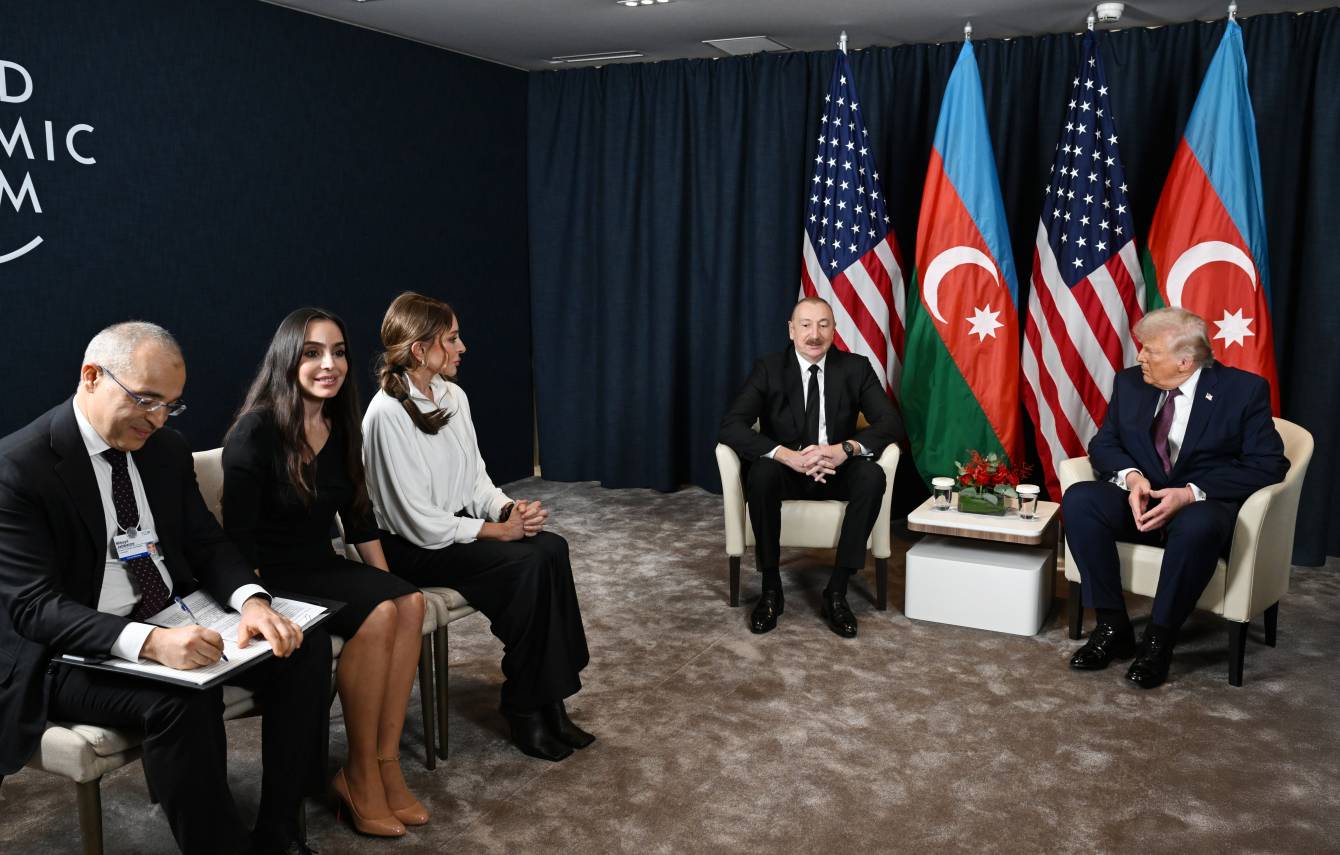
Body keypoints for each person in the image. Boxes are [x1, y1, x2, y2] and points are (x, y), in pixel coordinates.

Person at [0, 322, 329, 855]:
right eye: (145, 399)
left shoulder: (165, 449)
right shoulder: (18, 467)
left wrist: (253, 601)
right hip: (67, 652)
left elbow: (206, 543)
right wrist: (151, 643)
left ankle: (280, 832)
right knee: (181, 701)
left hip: (171, 611)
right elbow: (35, 608)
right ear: (91, 377)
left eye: (169, 406)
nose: (156, 419)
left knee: (301, 644)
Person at [362, 292, 593, 763]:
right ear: (420, 350)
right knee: (526, 565)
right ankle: (526, 706)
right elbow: (417, 521)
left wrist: (509, 510)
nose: (462, 347)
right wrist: (496, 533)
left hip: (450, 532)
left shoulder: (453, 396)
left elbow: (475, 480)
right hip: (409, 546)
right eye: (451, 339)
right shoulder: (385, 414)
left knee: (551, 548)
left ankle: (548, 698)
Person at [222, 308, 427, 837]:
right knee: (380, 614)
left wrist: (393, 586)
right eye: (312, 353)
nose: (328, 364)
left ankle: (383, 764)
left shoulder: (339, 425)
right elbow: (237, 540)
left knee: (409, 603)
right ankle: (359, 772)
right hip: (270, 577)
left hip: (319, 564)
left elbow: (358, 516)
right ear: (287, 359)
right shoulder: (255, 431)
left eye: (338, 352)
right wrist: (256, 603)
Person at [1063, 307, 1288, 689]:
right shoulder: (1130, 383)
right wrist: (1132, 478)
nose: (1140, 357)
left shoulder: (1243, 391)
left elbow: (1269, 465)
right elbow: (1104, 444)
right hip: (1144, 502)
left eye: (1150, 351)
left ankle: (1159, 640)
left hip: (1200, 508)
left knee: (1199, 523)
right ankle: (1112, 626)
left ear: (1185, 361)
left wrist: (1190, 494)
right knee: (1080, 499)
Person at [718, 296, 903, 638]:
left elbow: (890, 423)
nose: (814, 334)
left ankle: (837, 591)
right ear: (791, 330)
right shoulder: (769, 368)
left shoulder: (856, 368)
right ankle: (771, 588)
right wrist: (786, 455)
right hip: (787, 470)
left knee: (872, 476)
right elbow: (731, 426)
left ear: (834, 329)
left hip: (836, 469)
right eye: (805, 325)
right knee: (761, 473)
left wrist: (844, 449)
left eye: (823, 325)